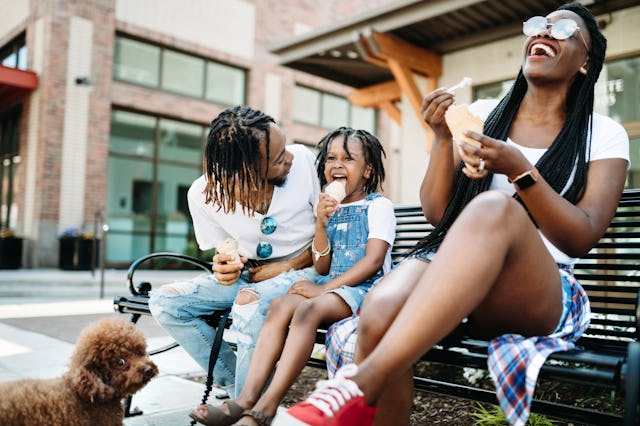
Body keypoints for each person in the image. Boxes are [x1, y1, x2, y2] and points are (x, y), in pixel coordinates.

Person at [278, 3, 630, 426]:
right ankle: (359, 394)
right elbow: (438, 213)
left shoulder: (603, 134)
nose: (545, 32)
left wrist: (520, 170)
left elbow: (582, 237)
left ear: (586, 62)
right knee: (379, 309)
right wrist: (441, 137)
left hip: (538, 293)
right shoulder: (481, 115)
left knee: (494, 206)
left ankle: (358, 384)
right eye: (538, 25)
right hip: (451, 276)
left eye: (564, 28)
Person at [189, 127, 396, 426]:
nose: (336, 165)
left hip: (365, 290)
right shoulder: (330, 207)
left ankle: (267, 407)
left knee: (307, 309)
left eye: (348, 159)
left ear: (368, 169)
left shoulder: (378, 206)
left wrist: (320, 292)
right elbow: (322, 266)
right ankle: (245, 399)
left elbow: (374, 262)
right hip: (332, 286)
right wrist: (322, 224)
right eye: (330, 158)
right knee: (279, 306)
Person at [149, 106, 321, 398]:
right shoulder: (203, 194)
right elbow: (225, 253)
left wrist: (289, 265)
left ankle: (246, 409)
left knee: (249, 304)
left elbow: (332, 233)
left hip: (310, 269)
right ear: (246, 171)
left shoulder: (304, 161)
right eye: (279, 158)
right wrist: (225, 266)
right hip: (252, 277)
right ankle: (244, 393)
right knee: (166, 303)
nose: (289, 157)